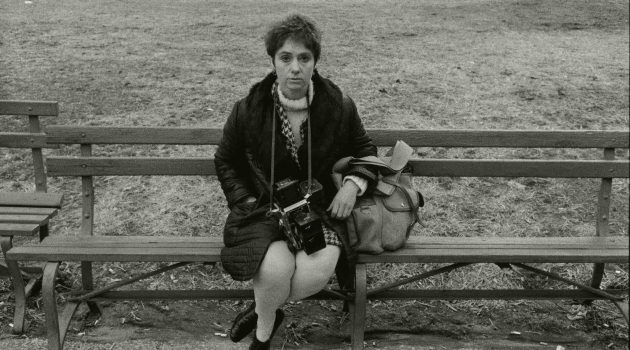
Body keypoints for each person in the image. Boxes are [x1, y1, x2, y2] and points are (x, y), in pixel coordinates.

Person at [215, 14, 377, 350]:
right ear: (273, 61)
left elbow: (365, 152)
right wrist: (245, 201)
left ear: (315, 61)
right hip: (265, 212)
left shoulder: (339, 106)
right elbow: (225, 160)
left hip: (320, 211)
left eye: (304, 58)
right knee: (273, 271)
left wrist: (352, 185)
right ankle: (263, 337)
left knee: (312, 275)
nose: (295, 68)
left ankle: (264, 311)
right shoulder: (248, 109)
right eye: (285, 58)